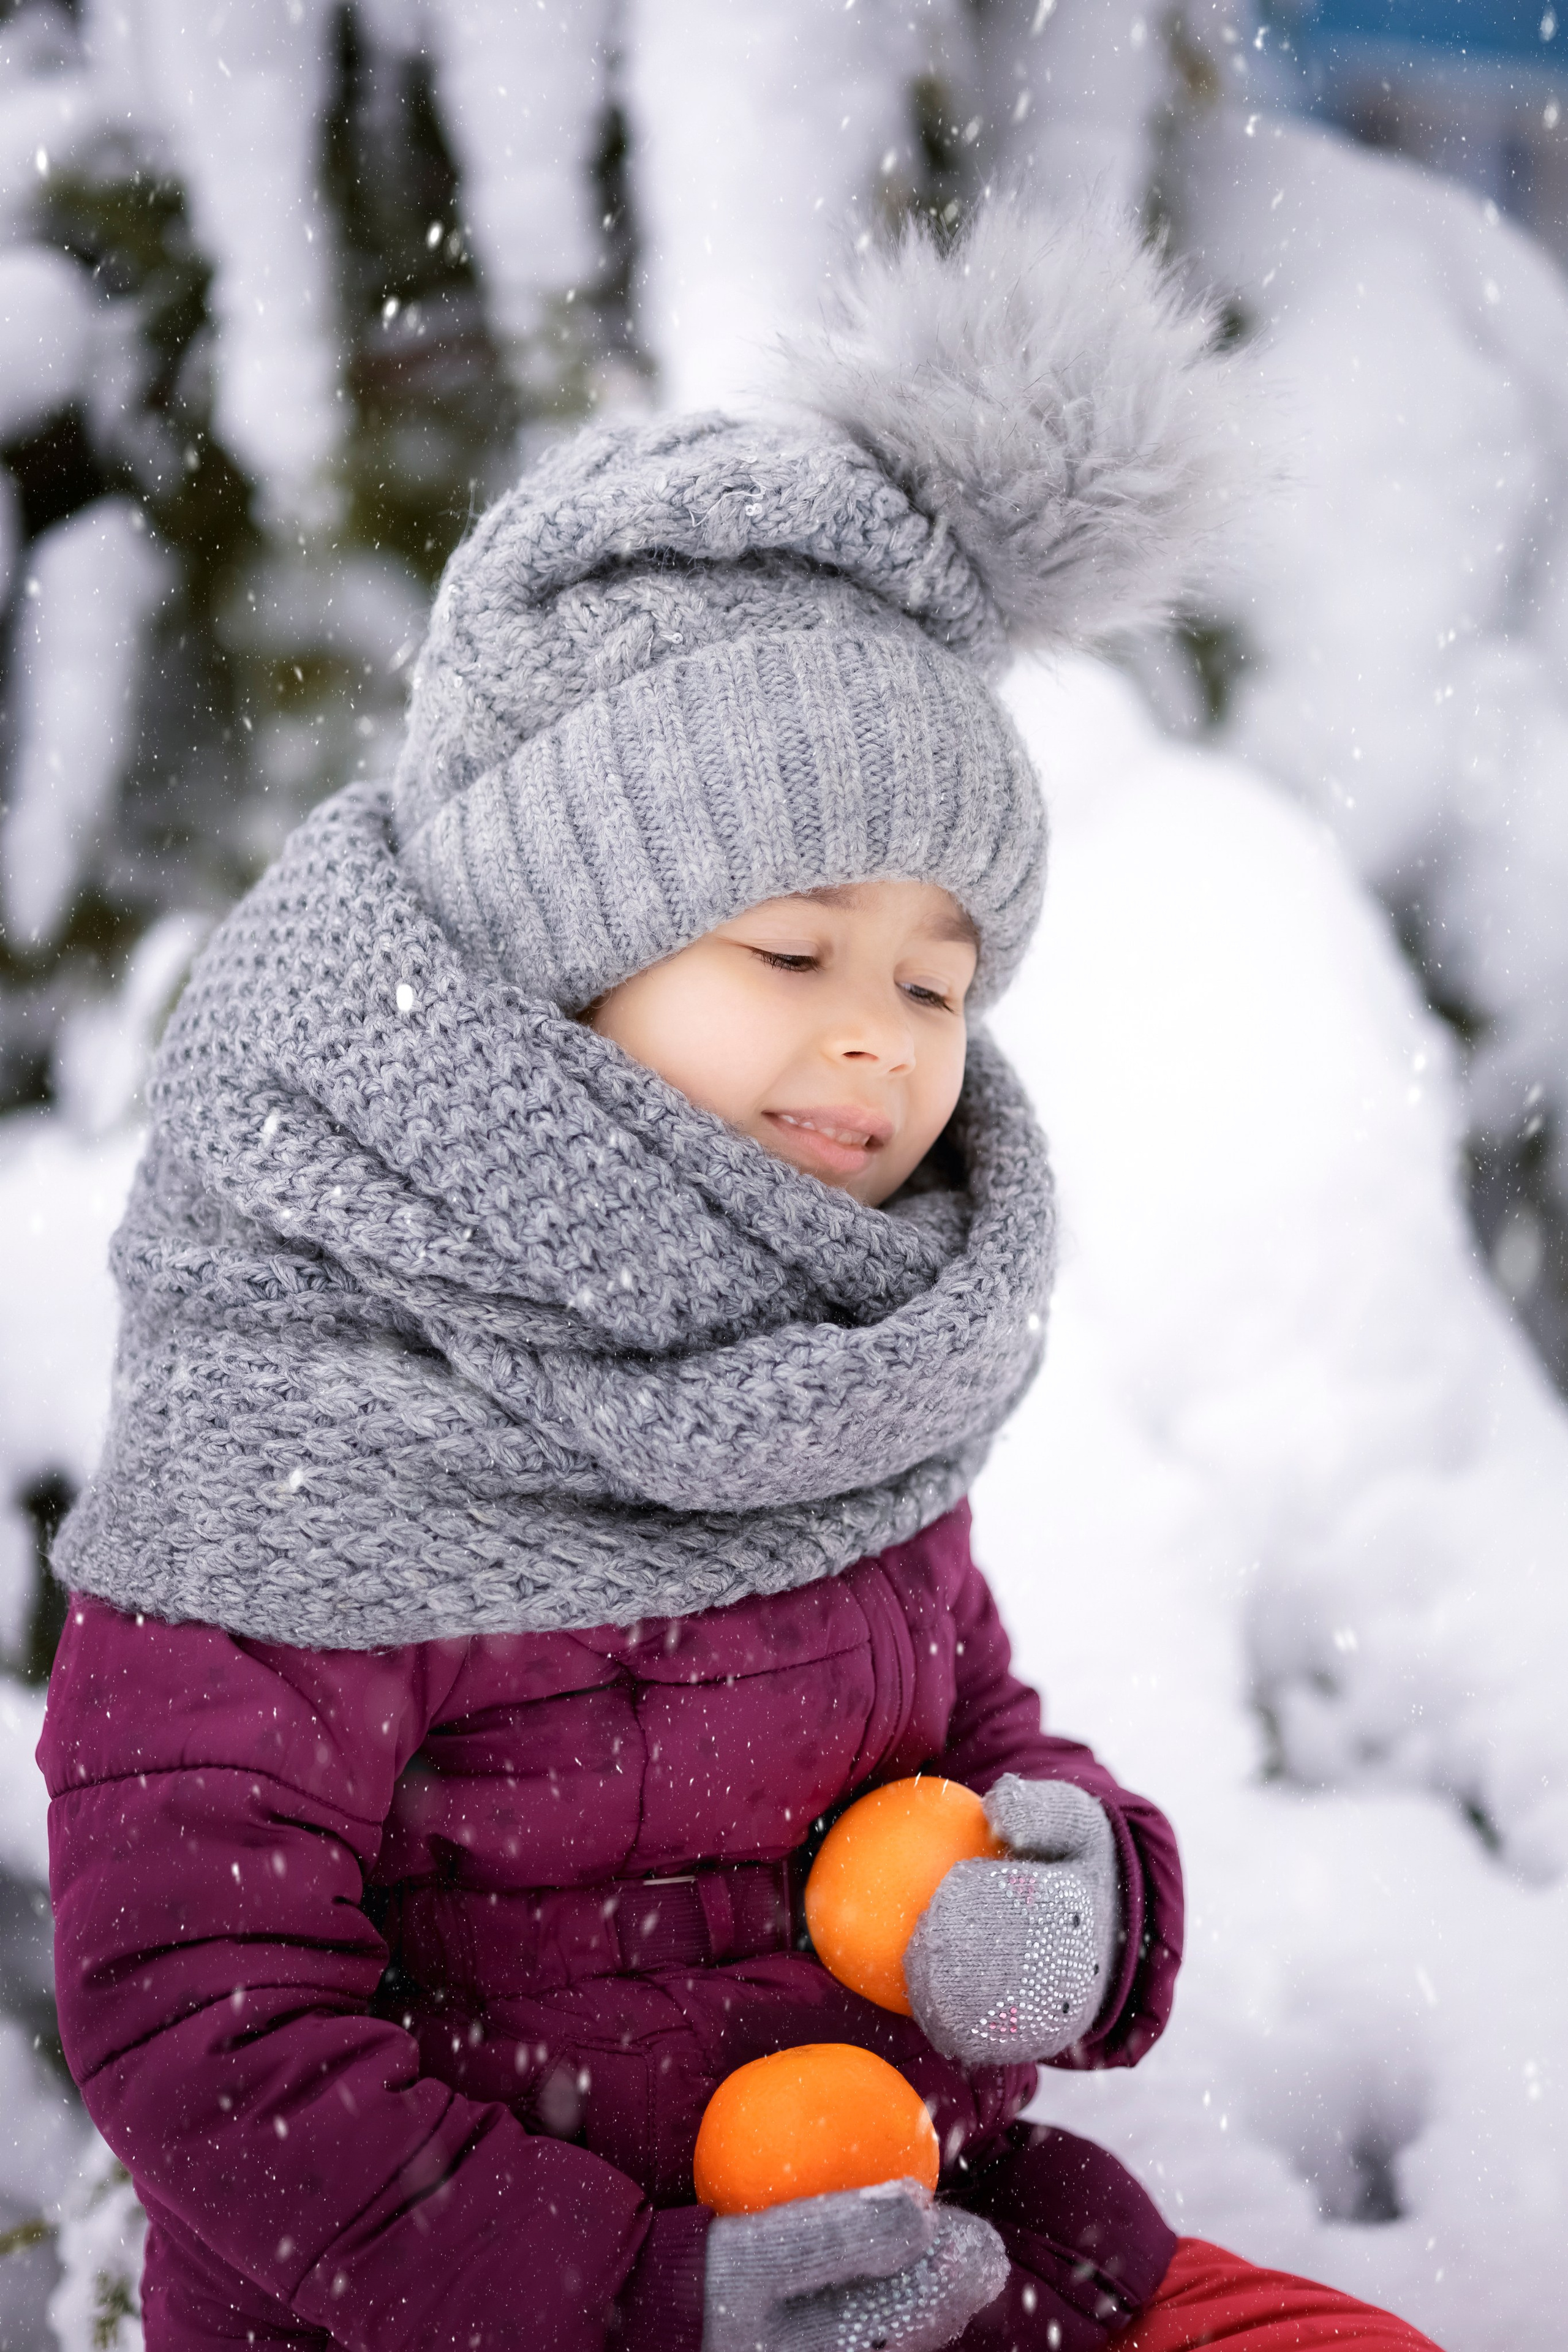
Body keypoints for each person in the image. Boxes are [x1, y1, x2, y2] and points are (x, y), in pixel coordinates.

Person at [40, 200, 1441, 2352]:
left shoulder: (828, 1348)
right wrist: (643, 2295)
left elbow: (963, 1718)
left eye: (934, 978)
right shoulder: (304, 1416)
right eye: (790, 953)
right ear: (556, 965)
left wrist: (1073, 1890)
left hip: (941, 2261)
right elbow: (207, 2022)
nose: (880, 1033)